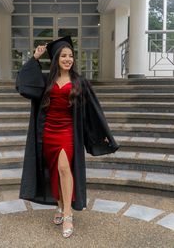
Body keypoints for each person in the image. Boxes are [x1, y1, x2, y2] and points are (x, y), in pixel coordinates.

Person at [15, 36, 119, 238]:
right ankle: (60, 206)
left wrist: (102, 135)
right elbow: (24, 85)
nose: (68, 59)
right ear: (55, 58)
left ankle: (68, 214)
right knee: (54, 171)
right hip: (48, 132)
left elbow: (93, 111)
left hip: (68, 132)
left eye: (71, 55)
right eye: (63, 55)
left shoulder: (79, 81)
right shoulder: (46, 80)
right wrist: (34, 59)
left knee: (64, 168)